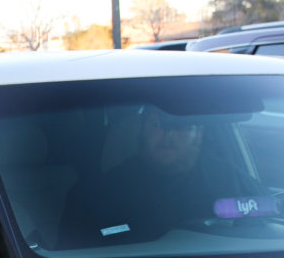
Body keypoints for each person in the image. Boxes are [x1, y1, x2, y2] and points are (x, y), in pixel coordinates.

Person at [60, 105, 260, 247]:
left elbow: (266, 216)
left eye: (181, 126)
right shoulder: (95, 195)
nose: (168, 135)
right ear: (142, 129)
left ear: (199, 134)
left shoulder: (228, 177)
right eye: (158, 124)